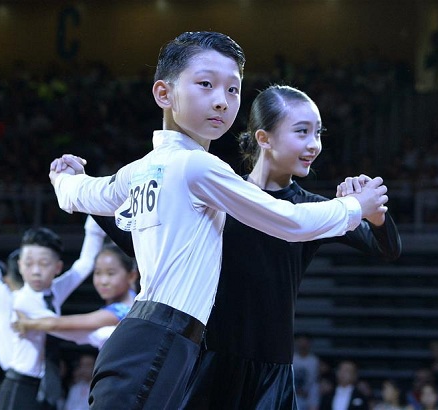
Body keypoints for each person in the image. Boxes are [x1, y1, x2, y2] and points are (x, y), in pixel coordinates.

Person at [49, 31, 389, 410]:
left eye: (232, 89)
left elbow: (78, 195)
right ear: (164, 94)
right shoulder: (198, 166)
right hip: (160, 340)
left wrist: (64, 175)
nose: (221, 101)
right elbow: (288, 221)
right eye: (206, 84)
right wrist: (357, 206)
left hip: (152, 340)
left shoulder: (140, 171)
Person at [0, 191, 106, 410]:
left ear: (57, 267)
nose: (36, 271)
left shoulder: (55, 291)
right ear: (21, 266)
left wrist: (96, 205)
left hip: (45, 386)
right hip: (17, 386)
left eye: (44, 263)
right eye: (29, 263)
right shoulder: (10, 299)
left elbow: (84, 264)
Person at [12, 243, 138, 350]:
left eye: (111, 273)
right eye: (98, 273)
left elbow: (57, 324)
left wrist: (27, 323)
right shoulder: (132, 296)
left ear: (132, 276)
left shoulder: (121, 311)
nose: (103, 281)